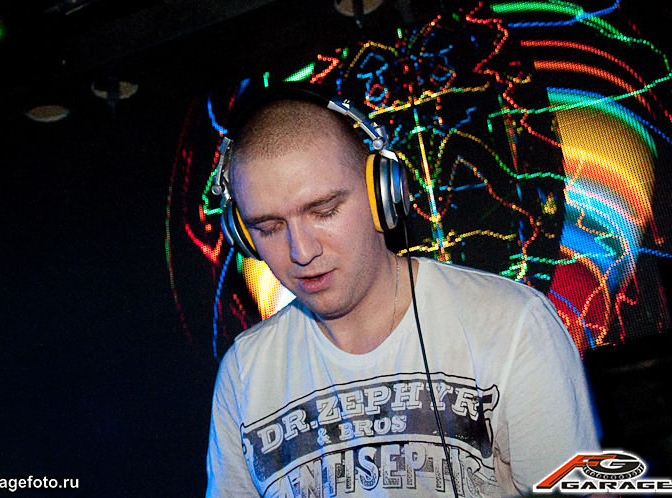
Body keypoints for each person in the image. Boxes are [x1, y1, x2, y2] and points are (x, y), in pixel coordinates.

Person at [205, 86, 600, 497]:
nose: (301, 251)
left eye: (324, 211)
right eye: (269, 228)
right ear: (242, 235)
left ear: (384, 194)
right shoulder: (244, 373)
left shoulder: (513, 326)